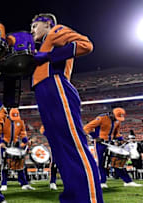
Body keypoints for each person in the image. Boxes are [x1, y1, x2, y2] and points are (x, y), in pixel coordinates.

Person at [31, 13, 103, 203]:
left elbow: (86, 44)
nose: (32, 30)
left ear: (47, 24)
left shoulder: (56, 30)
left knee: (73, 145)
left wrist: (50, 55)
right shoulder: (44, 42)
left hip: (56, 85)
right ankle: (73, 198)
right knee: (60, 151)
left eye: (35, 25)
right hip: (45, 91)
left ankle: (88, 199)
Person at [84, 108, 142, 188]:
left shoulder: (117, 121)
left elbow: (116, 133)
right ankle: (102, 182)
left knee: (118, 162)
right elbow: (87, 127)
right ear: (111, 113)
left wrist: (121, 139)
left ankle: (128, 181)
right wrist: (95, 137)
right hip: (100, 143)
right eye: (116, 117)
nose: (117, 119)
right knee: (102, 163)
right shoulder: (101, 118)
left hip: (111, 144)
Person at [0, 108, 35, 191]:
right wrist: (1, 142)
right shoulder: (4, 121)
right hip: (5, 144)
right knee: (5, 164)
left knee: (20, 165)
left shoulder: (20, 122)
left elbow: (22, 134)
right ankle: (4, 184)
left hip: (15, 145)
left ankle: (24, 184)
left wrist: (27, 141)